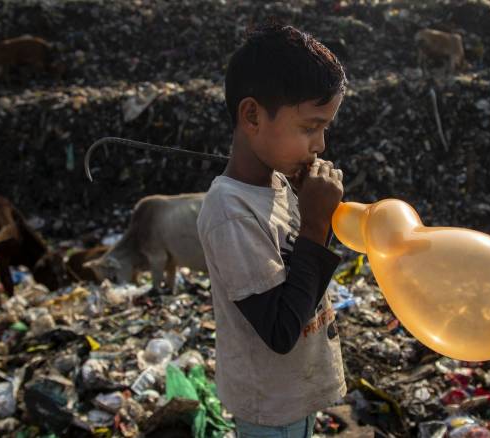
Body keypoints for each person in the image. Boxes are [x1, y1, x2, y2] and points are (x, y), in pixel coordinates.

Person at [196, 23, 348, 437]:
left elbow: (304, 280)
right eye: (308, 127)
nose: (320, 146)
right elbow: (281, 331)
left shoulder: (279, 184)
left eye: (325, 128)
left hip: (294, 395)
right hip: (270, 409)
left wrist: (320, 216)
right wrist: (315, 224)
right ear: (252, 116)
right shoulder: (231, 211)